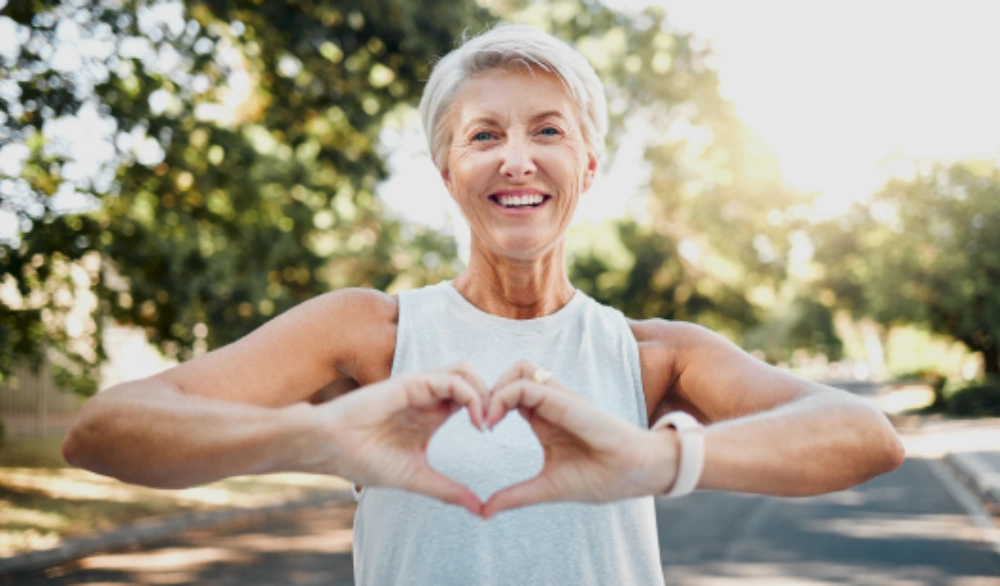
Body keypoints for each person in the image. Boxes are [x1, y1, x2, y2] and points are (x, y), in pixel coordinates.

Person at [63, 24, 905, 585]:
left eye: (547, 131)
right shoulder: (367, 334)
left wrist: (657, 461)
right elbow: (104, 430)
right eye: (483, 134)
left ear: (588, 164)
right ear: (445, 171)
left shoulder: (651, 354)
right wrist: (317, 437)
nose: (517, 160)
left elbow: (866, 437)